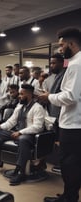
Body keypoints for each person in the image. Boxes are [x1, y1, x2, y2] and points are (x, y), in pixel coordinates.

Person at [0, 84, 45, 186]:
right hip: (17, 132)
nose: (19, 96)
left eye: (21, 94)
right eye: (19, 93)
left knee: (23, 139)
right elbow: (11, 121)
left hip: (29, 135)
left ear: (29, 95)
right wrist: (0, 127)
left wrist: (21, 132)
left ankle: (20, 171)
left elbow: (38, 127)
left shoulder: (38, 108)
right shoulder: (20, 106)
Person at [39, 27, 81, 202]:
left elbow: (70, 96)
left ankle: (69, 198)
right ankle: (69, 195)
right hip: (73, 122)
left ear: (71, 44)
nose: (60, 49)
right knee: (72, 163)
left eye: (62, 45)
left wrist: (49, 97)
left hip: (73, 124)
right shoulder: (74, 62)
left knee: (69, 164)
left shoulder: (77, 64)